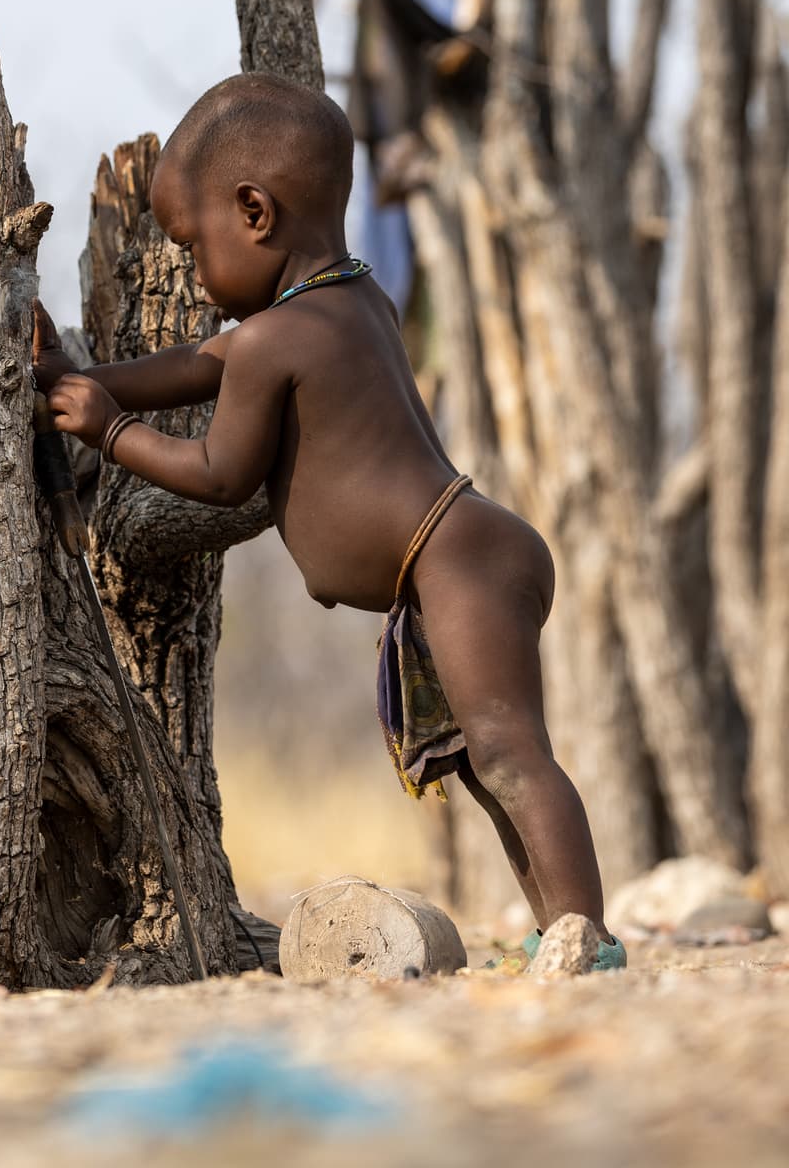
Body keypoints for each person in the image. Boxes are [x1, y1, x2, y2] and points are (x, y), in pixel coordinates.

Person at [32, 72, 625, 971]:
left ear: (255, 212)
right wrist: (77, 378)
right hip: (457, 555)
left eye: (196, 248)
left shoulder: (281, 337)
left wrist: (111, 432)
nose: (195, 274)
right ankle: (561, 937)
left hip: (456, 558)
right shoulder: (349, 302)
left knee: (509, 756)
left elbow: (223, 473)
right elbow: (195, 364)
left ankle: (591, 941)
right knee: (487, 768)